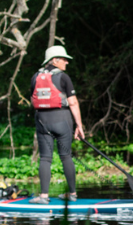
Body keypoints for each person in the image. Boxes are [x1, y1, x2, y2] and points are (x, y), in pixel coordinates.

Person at [28, 45, 86, 204]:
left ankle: (44, 196)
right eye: (64, 59)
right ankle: (72, 194)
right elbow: (73, 103)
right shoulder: (63, 77)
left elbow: (33, 99)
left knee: (45, 158)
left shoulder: (35, 77)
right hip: (62, 120)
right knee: (66, 156)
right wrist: (79, 126)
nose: (66, 62)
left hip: (42, 122)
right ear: (55, 60)